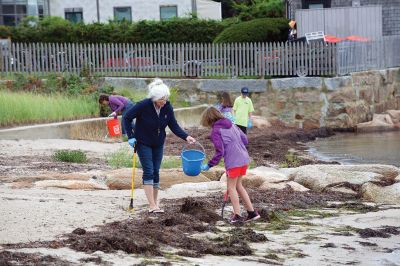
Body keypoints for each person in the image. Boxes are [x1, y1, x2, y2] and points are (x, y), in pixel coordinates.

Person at [123, 78, 196, 213]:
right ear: (154, 98)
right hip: (143, 142)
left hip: (158, 143)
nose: (165, 101)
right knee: (149, 171)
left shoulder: (167, 107)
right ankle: (151, 205)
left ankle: (155, 204)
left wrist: (186, 136)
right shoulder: (143, 105)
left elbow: (173, 125)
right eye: (162, 99)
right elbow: (126, 117)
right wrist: (131, 136)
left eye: (166, 98)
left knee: (156, 171)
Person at [200, 107, 260, 224]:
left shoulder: (216, 131)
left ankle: (237, 215)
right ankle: (252, 213)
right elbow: (245, 140)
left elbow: (220, 152)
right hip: (244, 159)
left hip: (233, 162)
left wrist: (209, 165)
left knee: (231, 188)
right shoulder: (232, 124)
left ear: (208, 120)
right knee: (239, 186)